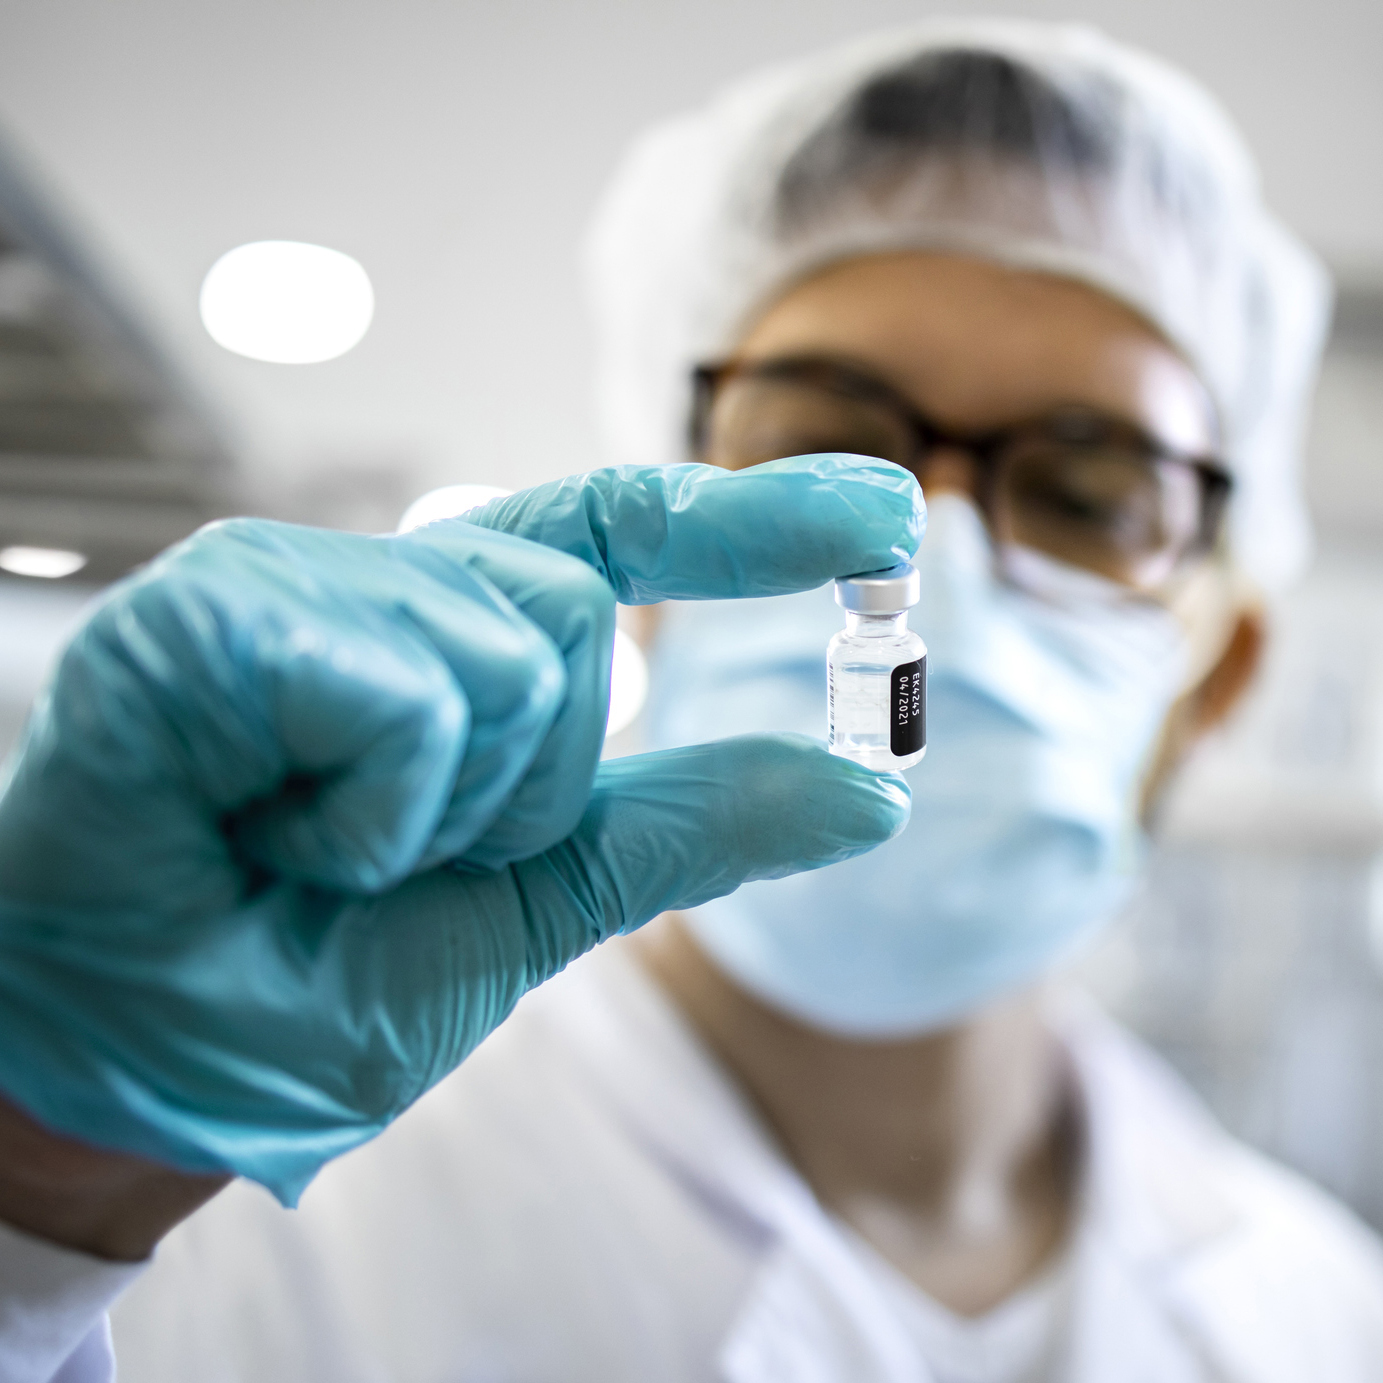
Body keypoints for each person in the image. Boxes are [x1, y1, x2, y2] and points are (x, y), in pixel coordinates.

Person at [97, 18, 1383, 1383]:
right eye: (821, 453)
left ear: (1215, 673)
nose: (924, 556)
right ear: (655, 567)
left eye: (1081, 491)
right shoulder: (224, 1217)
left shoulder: (1315, 1314)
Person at [0, 456, 923, 1383]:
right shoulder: (287, 1176)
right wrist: (40, 1191)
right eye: (825, 428)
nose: (958, 556)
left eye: (1074, 492)